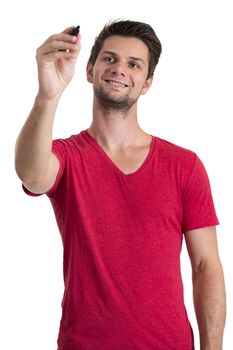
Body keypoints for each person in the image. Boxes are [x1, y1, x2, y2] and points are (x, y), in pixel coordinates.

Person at [15, 19, 226, 350]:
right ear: (89, 69)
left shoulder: (184, 166)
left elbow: (205, 267)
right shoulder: (66, 157)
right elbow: (31, 174)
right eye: (109, 58)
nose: (119, 69)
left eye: (133, 64)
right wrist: (48, 95)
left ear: (147, 83)